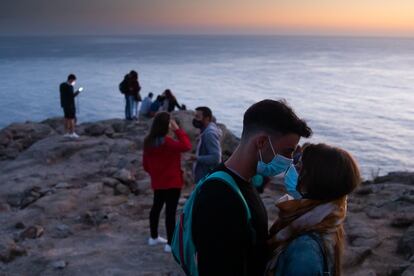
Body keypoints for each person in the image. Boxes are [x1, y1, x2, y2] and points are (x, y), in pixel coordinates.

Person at [192, 99, 312, 275]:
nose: (290, 160)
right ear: (262, 142)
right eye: (288, 151)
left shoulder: (241, 182)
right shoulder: (219, 196)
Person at [266, 144, 361, 276]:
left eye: (299, 168)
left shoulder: (304, 248)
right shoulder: (327, 220)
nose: (291, 171)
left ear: (316, 181)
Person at [143, 112, 192, 253]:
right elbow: (187, 146)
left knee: (156, 208)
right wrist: (177, 129)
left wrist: (156, 174)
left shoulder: (148, 142)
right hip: (172, 182)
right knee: (170, 212)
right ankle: (170, 244)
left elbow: (146, 165)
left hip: (158, 182)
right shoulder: (168, 143)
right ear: (167, 126)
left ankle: (153, 237)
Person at [191, 106, 222, 183]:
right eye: (195, 116)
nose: (195, 119)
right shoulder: (205, 131)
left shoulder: (209, 134)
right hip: (203, 177)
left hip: (205, 178)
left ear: (207, 118)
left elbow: (216, 158)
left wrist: (197, 158)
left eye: (198, 117)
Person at [59, 74, 80, 138]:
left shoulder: (62, 85)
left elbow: (64, 95)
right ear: (71, 79)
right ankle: (72, 133)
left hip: (64, 104)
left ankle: (66, 133)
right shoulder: (70, 86)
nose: (74, 82)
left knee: (66, 118)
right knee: (72, 119)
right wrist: (78, 91)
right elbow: (72, 96)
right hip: (70, 105)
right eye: (74, 81)